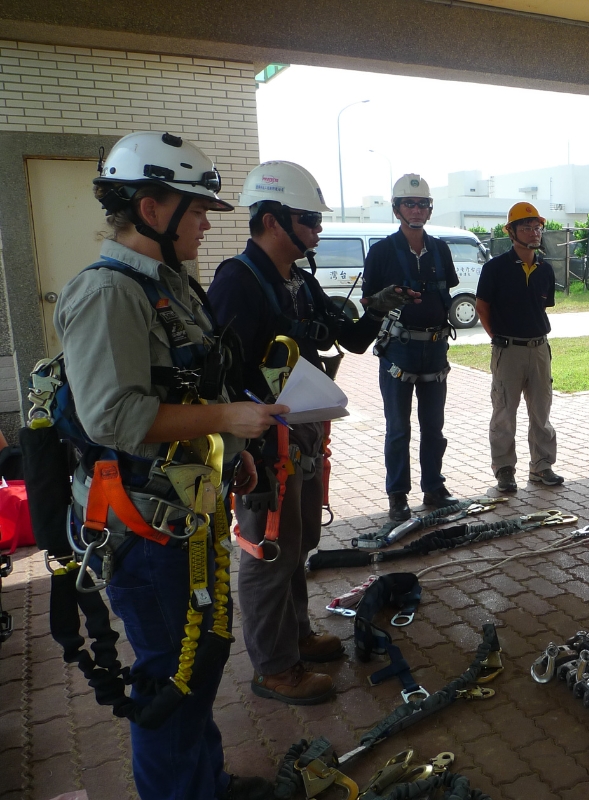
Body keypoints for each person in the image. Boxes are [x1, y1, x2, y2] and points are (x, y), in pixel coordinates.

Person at [54, 132, 282, 799]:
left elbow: (187, 389)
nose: (208, 222)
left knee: (200, 668)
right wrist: (227, 422)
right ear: (152, 208)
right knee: (171, 678)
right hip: (146, 533)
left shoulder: (167, 285)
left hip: (186, 512)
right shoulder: (108, 295)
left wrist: (230, 454)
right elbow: (115, 418)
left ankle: (203, 783)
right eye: (195, 207)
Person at [208, 161, 404, 704]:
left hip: (300, 436)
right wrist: (242, 447)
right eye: (309, 220)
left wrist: (376, 310)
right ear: (272, 220)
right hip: (261, 443)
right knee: (269, 549)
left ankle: (295, 634)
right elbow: (220, 376)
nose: (317, 231)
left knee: (298, 544)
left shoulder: (299, 281)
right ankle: (274, 666)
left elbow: (352, 340)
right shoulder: (237, 282)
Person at [362, 174, 461, 522]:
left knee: (433, 426)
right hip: (398, 349)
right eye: (410, 203)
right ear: (396, 208)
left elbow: (445, 292)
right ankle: (397, 495)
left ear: (429, 209)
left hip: (434, 348)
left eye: (422, 204)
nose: (416, 209)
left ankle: (434, 487)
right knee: (399, 428)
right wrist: (383, 299)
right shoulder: (382, 251)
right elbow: (368, 301)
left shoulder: (440, 249)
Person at [476, 202, 563, 492]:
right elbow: (482, 307)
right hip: (507, 350)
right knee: (504, 412)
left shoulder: (545, 269)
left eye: (537, 227)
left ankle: (542, 467)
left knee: (542, 411)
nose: (534, 232)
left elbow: (543, 308)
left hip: (539, 350)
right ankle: (504, 470)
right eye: (526, 227)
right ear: (512, 232)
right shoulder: (494, 269)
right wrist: (496, 337)